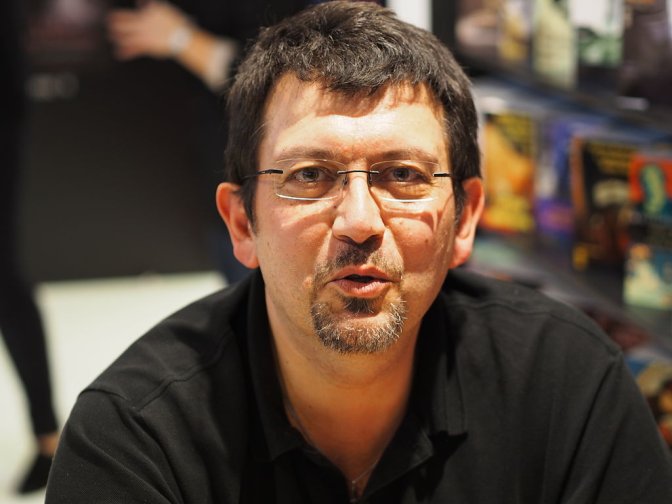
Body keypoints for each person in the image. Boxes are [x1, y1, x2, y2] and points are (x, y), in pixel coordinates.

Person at [46, 2, 672, 502]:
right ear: (242, 224)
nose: (359, 222)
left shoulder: (567, 384)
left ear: (465, 219)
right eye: (310, 176)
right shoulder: (135, 438)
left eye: (402, 175)